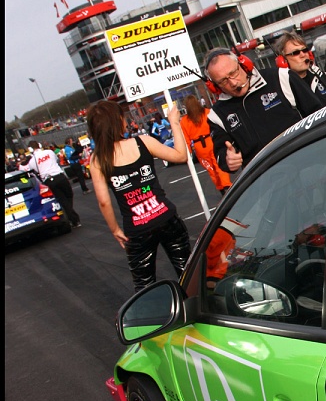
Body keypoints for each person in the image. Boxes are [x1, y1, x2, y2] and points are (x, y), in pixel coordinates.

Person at [87, 99, 191, 293]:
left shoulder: (98, 159)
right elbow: (180, 156)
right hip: (166, 217)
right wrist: (175, 123)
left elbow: (103, 201)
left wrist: (115, 229)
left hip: (137, 229)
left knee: (144, 286)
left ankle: (153, 321)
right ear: (118, 121)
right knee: (187, 272)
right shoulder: (143, 141)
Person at [205, 47, 325, 173]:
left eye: (233, 73)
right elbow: (221, 154)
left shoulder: (281, 77)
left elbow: (319, 114)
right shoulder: (217, 115)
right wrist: (228, 160)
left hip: (309, 166)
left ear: (244, 64)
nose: (233, 83)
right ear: (214, 87)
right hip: (266, 182)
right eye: (223, 81)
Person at [19, 140, 82, 228]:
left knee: (63, 200)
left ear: (30, 149)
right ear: (39, 145)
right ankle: (73, 217)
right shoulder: (49, 152)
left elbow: (35, 171)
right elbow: (56, 161)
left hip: (49, 180)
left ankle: (72, 217)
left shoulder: (32, 161)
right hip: (60, 176)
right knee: (69, 196)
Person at [180, 94, 232, 195]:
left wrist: (189, 153)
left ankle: (221, 188)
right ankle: (226, 185)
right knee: (219, 163)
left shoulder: (184, 121)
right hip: (211, 141)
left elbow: (186, 139)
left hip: (199, 147)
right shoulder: (207, 112)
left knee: (210, 168)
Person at [275, 31, 326, 106]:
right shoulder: (282, 89)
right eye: (295, 53)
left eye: (305, 50)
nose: (303, 55)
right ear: (283, 60)